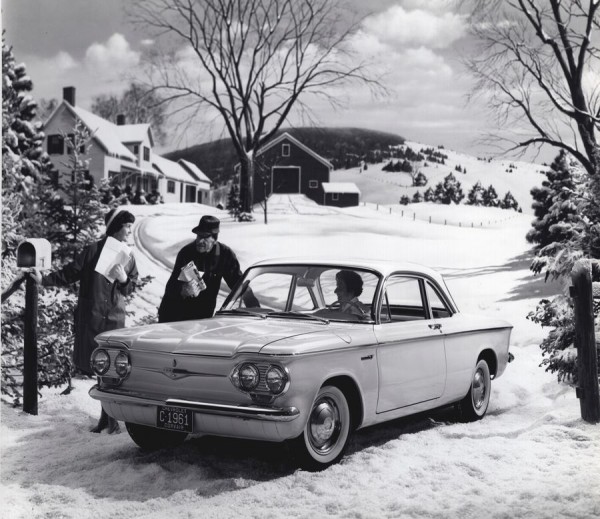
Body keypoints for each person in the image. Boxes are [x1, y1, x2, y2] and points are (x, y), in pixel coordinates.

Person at [31, 208, 139, 434]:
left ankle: (110, 418)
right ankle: (105, 417)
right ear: (116, 226)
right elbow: (70, 273)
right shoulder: (93, 251)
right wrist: (45, 280)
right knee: (100, 368)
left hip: (114, 320)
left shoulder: (128, 255)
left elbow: (130, 287)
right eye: (127, 225)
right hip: (92, 317)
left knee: (112, 367)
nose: (130, 230)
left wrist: (124, 278)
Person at [158, 215, 254, 322]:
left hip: (202, 318)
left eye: (205, 237)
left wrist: (255, 308)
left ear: (214, 239)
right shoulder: (186, 253)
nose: (200, 241)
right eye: (199, 236)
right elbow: (171, 287)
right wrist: (183, 290)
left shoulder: (225, 255)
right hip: (174, 316)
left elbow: (240, 285)